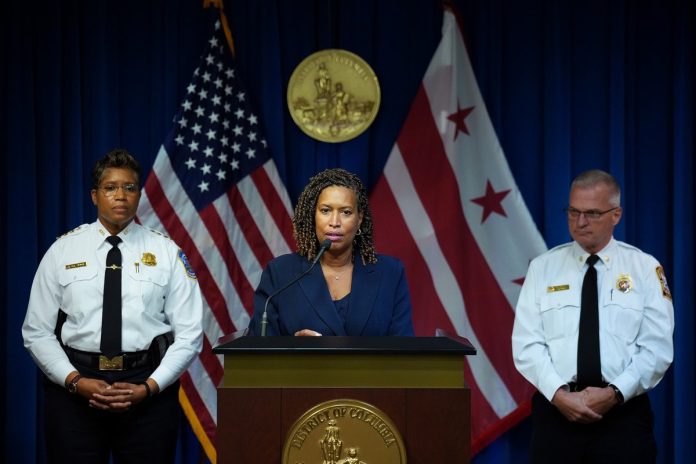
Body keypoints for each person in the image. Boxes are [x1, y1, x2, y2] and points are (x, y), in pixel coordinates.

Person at [22, 149, 204, 462]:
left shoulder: (166, 252)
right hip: (75, 390)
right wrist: (75, 382)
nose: (120, 195)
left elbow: (190, 334)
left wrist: (149, 387)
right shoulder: (62, 251)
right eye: (110, 188)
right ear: (95, 196)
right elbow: (36, 331)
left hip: (147, 389)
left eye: (129, 187)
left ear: (139, 195)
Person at [512, 170, 674, 463]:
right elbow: (527, 345)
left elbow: (656, 348)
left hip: (623, 417)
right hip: (557, 415)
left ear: (616, 215)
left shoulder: (644, 268)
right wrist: (560, 396)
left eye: (592, 213)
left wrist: (613, 393)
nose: (580, 222)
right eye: (573, 212)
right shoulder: (542, 268)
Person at [247, 168, 414, 336]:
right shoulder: (280, 273)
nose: (335, 222)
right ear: (313, 215)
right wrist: (293, 347)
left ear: (359, 219)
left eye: (346, 212)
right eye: (325, 210)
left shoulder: (390, 273)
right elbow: (257, 345)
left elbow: (404, 348)